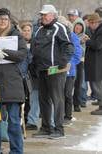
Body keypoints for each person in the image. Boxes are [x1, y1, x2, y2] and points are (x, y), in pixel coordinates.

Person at [0, 8, 27, 154]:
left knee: (14, 121)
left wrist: (4, 53)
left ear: (9, 21)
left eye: (5, 19)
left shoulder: (16, 35)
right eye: (0, 19)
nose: (3, 22)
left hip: (12, 83)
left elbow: (22, 54)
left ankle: (16, 150)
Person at [31, 4, 74, 139]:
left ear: (53, 15)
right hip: (42, 70)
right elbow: (34, 49)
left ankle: (59, 129)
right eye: (42, 14)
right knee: (43, 99)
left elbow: (68, 46)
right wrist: (33, 65)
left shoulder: (59, 28)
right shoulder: (39, 30)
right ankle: (46, 127)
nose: (43, 17)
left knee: (57, 99)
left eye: (45, 14)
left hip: (55, 70)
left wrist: (62, 62)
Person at [84, 13, 102, 115]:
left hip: (100, 63)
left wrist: (87, 41)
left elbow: (97, 45)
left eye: (90, 23)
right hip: (100, 62)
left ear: (95, 22)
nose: (89, 26)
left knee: (99, 85)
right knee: (100, 85)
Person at [57, 16, 82, 125]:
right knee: (58, 94)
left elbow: (77, 55)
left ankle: (68, 115)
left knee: (67, 94)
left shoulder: (73, 37)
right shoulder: (56, 36)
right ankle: (58, 116)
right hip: (57, 71)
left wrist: (68, 64)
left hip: (69, 72)